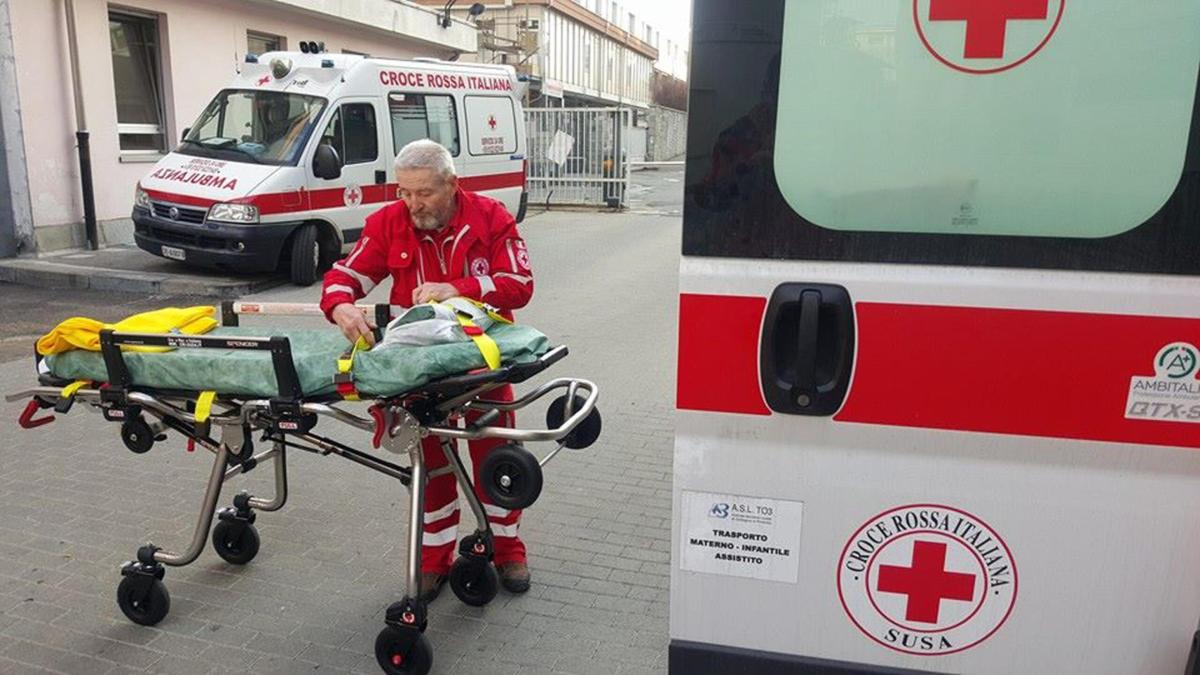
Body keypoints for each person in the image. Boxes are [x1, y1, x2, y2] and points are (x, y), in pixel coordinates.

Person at [320, 139, 535, 600]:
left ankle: (507, 550)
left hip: (483, 368)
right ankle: (434, 560)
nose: (413, 204)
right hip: (417, 375)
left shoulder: (492, 217)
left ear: (452, 184)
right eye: (404, 192)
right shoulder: (387, 224)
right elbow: (344, 276)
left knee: (494, 459)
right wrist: (340, 306)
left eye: (424, 193)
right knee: (431, 467)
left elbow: (520, 285)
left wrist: (455, 289)